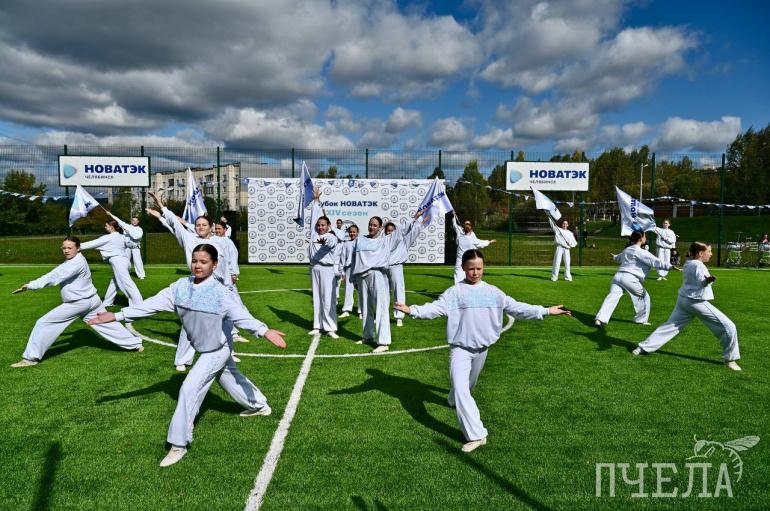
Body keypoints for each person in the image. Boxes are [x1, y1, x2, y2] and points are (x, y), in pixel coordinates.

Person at [88, 244, 287, 466]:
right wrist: (117, 316)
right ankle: (259, 405)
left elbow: (240, 315)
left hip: (217, 349)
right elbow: (151, 305)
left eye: (203, 262)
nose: (197, 265)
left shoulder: (221, 293)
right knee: (230, 377)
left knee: (189, 388)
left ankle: (178, 444)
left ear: (214, 265)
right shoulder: (180, 287)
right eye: (194, 261)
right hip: (205, 347)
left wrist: (264, 330)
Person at [394, 249, 570, 452]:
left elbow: (517, 307)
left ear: (483, 268)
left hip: (482, 349)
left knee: (466, 387)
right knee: (461, 389)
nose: (475, 272)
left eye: (479, 268)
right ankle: (477, 435)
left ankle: (452, 399)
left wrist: (546, 311)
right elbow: (436, 308)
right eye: (471, 269)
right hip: (460, 349)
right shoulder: (455, 292)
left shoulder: (493, 292)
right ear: (463, 268)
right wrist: (413, 310)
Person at [10, 236, 142, 367]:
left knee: (43, 323)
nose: (66, 251)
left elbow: (54, 277)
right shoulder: (74, 260)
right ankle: (135, 344)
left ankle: (30, 358)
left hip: (78, 304)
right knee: (107, 323)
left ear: (78, 248)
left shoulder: (76, 263)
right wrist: (31, 284)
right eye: (64, 248)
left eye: (70, 248)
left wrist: (30, 285)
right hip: (92, 301)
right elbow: (56, 272)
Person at [146, 191, 233, 371]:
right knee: (191, 323)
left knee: (224, 321)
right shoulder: (189, 238)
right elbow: (174, 223)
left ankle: (227, 354)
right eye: (198, 224)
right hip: (197, 285)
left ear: (211, 227)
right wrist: (161, 207)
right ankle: (182, 360)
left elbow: (224, 266)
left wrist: (228, 285)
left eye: (204, 224)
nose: (200, 227)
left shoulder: (220, 242)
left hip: (217, 286)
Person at [633, 242, 741, 371]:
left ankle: (642, 348)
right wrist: (708, 281)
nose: (711, 254)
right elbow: (701, 282)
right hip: (695, 302)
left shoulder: (688, 263)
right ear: (700, 253)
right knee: (729, 326)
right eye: (709, 251)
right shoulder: (698, 265)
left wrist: (707, 280)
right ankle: (730, 359)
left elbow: (698, 280)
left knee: (670, 326)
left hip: (683, 301)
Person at [594, 231, 678, 327]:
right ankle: (641, 320)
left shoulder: (627, 249)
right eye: (645, 236)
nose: (645, 238)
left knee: (612, 297)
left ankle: (599, 319)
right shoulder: (641, 252)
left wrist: (614, 256)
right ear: (641, 239)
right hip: (629, 278)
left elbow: (618, 258)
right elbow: (655, 261)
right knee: (645, 297)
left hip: (617, 277)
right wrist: (670, 267)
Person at [349, 215, 401, 353]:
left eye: (375, 225)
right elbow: (354, 259)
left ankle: (384, 342)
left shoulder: (385, 240)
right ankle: (367, 335)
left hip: (377, 275)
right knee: (366, 308)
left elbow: (401, 231)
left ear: (380, 228)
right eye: (370, 224)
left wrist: (416, 218)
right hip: (361, 277)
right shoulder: (360, 240)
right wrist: (354, 278)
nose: (371, 227)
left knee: (380, 308)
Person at [80, 219, 143, 308]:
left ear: (112, 227)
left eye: (106, 225)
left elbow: (91, 244)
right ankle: (107, 302)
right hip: (125, 262)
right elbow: (132, 244)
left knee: (127, 284)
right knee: (115, 283)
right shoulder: (122, 236)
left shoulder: (108, 237)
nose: (105, 227)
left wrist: (74, 246)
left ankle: (138, 304)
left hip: (118, 262)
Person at [307, 187, 340, 339]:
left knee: (328, 299)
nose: (320, 227)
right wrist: (316, 201)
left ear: (328, 226)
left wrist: (324, 240)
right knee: (317, 298)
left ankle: (331, 327)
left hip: (328, 270)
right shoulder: (313, 234)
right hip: (315, 268)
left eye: (323, 225)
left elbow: (329, 242)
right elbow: (314, 217)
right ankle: (317, 326)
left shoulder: (331, 237)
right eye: (319, 225)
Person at [385, 214, 427, 327]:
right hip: (383, 268)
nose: (389, 232)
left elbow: (414, 233)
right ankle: (382, 315)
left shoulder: (403, 241)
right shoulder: (383, 241)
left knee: (398, 292)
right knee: (383, 293)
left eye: (391, 230)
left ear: (395, 231)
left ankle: (399, 316)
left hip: (396, 267)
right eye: (387, 230)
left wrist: (420, 223)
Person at [215, 219, 248, 344]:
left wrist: (234, 274)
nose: (217, 231)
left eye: (219, 229)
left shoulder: (228, 242)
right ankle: (232, 333)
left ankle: (239, 329)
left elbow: (233, 258)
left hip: (227, 279)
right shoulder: (213, 240)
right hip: (217, 279)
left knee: (235, 304)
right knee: (223, 305)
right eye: (216, 228)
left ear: (225, 230)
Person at [452, 215, 495, 283]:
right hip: (468, 260)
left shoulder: (459, 238)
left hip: (461, 261)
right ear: (471, 229)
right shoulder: (472, 240)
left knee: (459, 277)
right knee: (469, 278)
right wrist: (489, 242)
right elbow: (480, 243)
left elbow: (455, 227)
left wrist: (453, 218)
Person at [107, 212, 145, 280]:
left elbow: (136, 237)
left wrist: (128, 232)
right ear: (131, 221)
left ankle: (141, 275)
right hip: (127, 247)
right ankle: (125, 274)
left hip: (135, 247)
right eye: (133, 220)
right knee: (125, 260)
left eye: (136, 220)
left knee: (138, 261)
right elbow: (118, 220)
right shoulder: (127, 226)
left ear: (138, 222)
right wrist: (110, 214)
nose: (134, 222)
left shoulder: (140, 229)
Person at [339, 224, 360, 319]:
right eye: (350, 232)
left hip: (359, 269)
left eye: (354, 232)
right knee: (348, 289)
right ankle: (346, 310)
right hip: (349, 269)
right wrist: (342, 272)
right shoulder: (346, 244)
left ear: (357, 232)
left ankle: (361, 311)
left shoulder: (361, 242)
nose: (352, 233)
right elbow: (343, 258)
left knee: (361, 290)